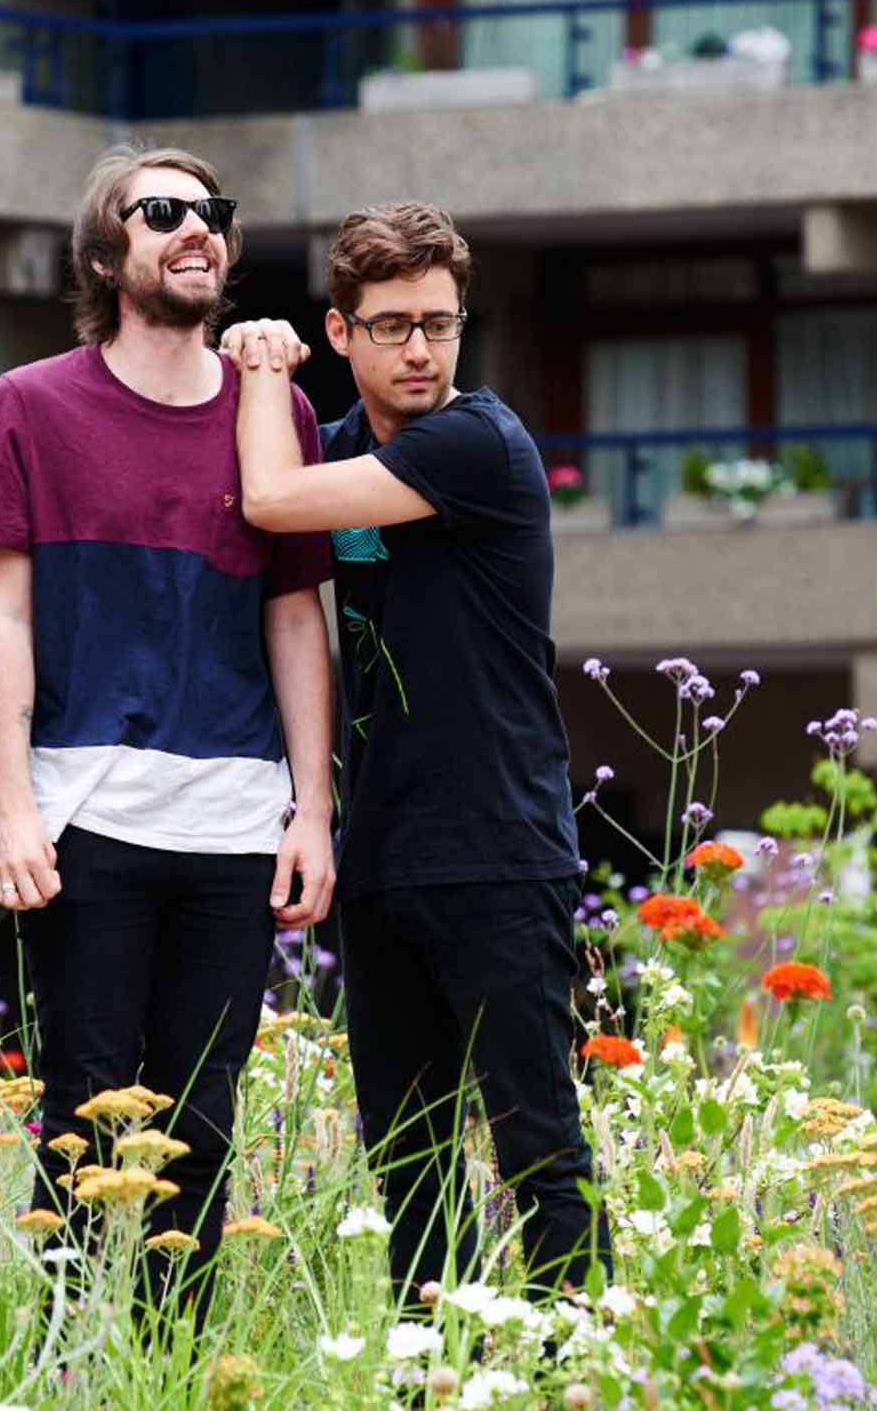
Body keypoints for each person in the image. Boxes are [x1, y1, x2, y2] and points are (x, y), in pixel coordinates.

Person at [0, 146, 335, 1303]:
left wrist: (312, 812)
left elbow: (293, 623)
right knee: (78, 1114)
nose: (196, 231)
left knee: (200, 1127)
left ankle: (172, 1362)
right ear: (103, 255)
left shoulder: (274, 415)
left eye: (210, 214)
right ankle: (73, 1362)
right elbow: (6, 616)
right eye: (161, 211)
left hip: (232, 821)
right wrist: (10, 800)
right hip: (82, 816)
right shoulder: (27, 404)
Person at [223, 201, 606, 1302]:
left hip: (496, 852)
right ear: (339, 334)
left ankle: (572, 1372)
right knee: (409, 1166)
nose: (419, 350)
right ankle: (428, 1377)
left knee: (539, 1148)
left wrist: (257, 369)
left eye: (437, 323)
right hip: (381, 859)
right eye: (389, 326)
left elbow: (267, 497)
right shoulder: (345, 447)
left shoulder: (477, 442)